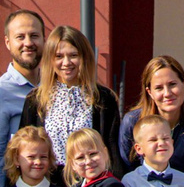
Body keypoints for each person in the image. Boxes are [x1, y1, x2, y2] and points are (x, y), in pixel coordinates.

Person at [19, 25, 121, 177]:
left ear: (84, 57)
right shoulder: (35, 99)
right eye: (59, 56)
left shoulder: (103, 98)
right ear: (50, 60)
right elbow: (25, 145)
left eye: (73, 55)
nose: (66, 63)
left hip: (89, 183)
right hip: (49, 186)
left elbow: (112, 148)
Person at [0, 8, 47, 187]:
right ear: (8, 42)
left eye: (34, 36)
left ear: (44, 40)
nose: (28, 43)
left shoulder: (52, 87)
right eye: (20, 37)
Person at [117, 54, 184, 174]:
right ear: (149, 92)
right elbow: (128, 169)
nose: (167, 93)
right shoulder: (132, 122)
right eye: (159, 88)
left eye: (172, 84)